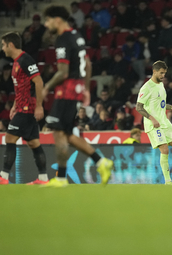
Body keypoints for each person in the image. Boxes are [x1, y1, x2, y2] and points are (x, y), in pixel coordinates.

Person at [42, 5, 113, 187]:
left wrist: (46, 87)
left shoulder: (63, 39)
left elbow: (63, 72)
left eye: (48, 20)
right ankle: (101, 161)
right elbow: (87, 64)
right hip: (77, 88)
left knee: (58, 132)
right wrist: (87, 89)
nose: (45, 23)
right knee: (65, 133)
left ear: (57, 19)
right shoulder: (77, 36)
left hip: (67, 90)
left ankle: (61, 178)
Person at [0, 32, 47, 185]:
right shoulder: (16, 62)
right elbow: (21, 88)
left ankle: (3, 177)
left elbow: (39, 82)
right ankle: (43, 178)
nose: (2, 48)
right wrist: (14, 105)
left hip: (27, 108)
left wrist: (39, 106)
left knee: (9, 138)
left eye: (3, 45)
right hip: (22, 106)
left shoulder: (26, 60)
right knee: (34, 143)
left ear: (11, 45)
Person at [136, 61, 172, 185]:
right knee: (164, 149)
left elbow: (159, 104)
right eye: (161, 73)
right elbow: (138, 107)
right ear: (154, 71)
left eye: (164, 73)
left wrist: (171, 108)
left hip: (164, 121)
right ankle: (168, 180)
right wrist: (152, 118)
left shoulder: (160, 85)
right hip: (153, 124)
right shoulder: (146, 87)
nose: (163, 76)